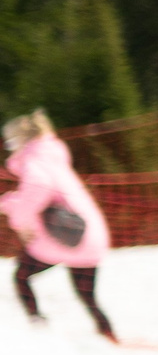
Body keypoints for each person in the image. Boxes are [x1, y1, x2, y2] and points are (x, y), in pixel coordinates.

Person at [2, 110, 116, 340]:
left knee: (21, 276)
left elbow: (37, 189)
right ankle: (109, 335)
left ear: (20, 140)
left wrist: (20, 222)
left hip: (61, 236)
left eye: (10, 142)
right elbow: (39, 194)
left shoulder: (34, 161)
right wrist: (8, 202)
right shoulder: (52, 156)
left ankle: (37, 325)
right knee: (88, 297)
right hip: (89, 235)